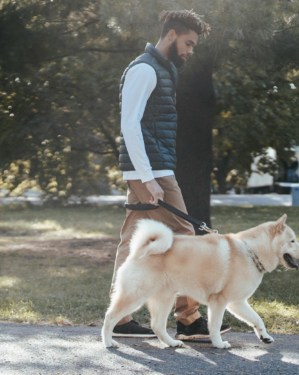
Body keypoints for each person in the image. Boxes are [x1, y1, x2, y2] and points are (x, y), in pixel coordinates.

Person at [110, 10, 229, 340]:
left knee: (132, 241)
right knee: (184, 234)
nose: (191, 50)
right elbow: (129, 125)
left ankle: (119, 319)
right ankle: (189, 320)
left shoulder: (161, 70)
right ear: (172, 34)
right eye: (189, 43)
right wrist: (148, 177)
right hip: (152, 170)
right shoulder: (145, 70)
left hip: (150, 167)